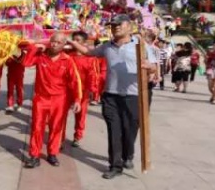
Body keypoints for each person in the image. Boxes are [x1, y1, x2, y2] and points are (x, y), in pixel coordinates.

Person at [67, 14, 157, 180]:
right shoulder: (107, 46)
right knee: (114, 131)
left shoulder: (141, 45)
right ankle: (115, 165)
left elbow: (155, 68)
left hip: (134, 96)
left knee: (130, 130)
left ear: (129, 26)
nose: (115, 27)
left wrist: (148, 67)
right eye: (112, 25)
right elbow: (88, 52)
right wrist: (72, 42)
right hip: (111, 96)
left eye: (119, 24)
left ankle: (128, 154)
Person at [22, 33, 82, 169]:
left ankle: (52, 153)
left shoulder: (67, 60)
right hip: (41, 98)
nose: (54, 44)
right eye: (53, 41)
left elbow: (74, 82)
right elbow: (26, 63)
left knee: (56, 127)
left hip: (60, 100)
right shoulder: (40, 56)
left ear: (63, 45)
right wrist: (34, 48)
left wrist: (77, 100)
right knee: (37, 127)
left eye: (58, 42)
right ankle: (34, 155)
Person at [66, 31, 98, 148]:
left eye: (78, 40)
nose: (74, 42)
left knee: (80, 115)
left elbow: (93, 75)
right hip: (67, 90)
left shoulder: (90, 58)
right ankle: (59, 136)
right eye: (73, 40)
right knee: (61, 114)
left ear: (84, 43)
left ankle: (77, 136)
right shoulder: (68, 56)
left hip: (82, 91)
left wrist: (91, 90)